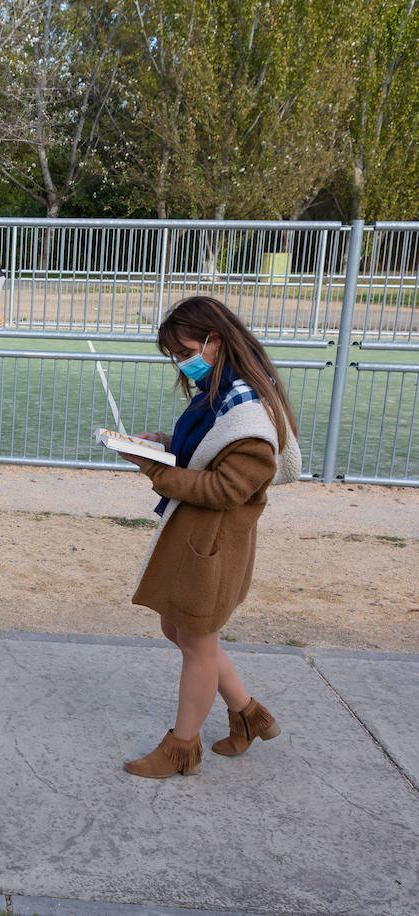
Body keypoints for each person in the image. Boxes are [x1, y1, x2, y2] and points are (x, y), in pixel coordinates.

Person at [120, 295, 301, 779]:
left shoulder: (250, 416)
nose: (182, 363)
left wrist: (158, 471)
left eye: (185, 352)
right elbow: (204, 455)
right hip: (198, 537)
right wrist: (162, 446)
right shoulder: (223, 393)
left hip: (215, 545)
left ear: (214, 341)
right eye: (176, 356)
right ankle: (248, 714)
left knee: (197, 642)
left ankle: (181, 748)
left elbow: (226, 488)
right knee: (178, 628)